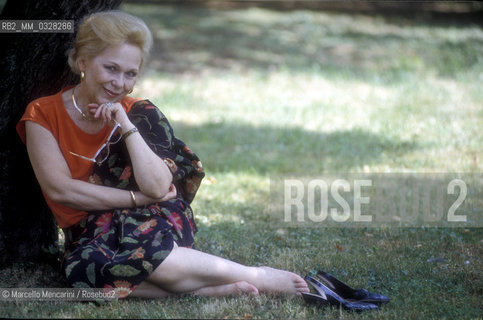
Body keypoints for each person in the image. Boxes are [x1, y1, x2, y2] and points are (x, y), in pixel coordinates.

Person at [16, 10, 309, 299]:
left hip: (151, 215)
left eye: (131, 74)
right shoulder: (42, 114)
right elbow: (60, 189)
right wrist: (135, 197)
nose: (120, 83)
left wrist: (125, 125)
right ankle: (206, 291)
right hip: (91, 230)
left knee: (147, 254)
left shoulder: (141, 112)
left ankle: (256, 275)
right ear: (82, 62)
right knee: (85, 272)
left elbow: (157, 187)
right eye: (111, 68)